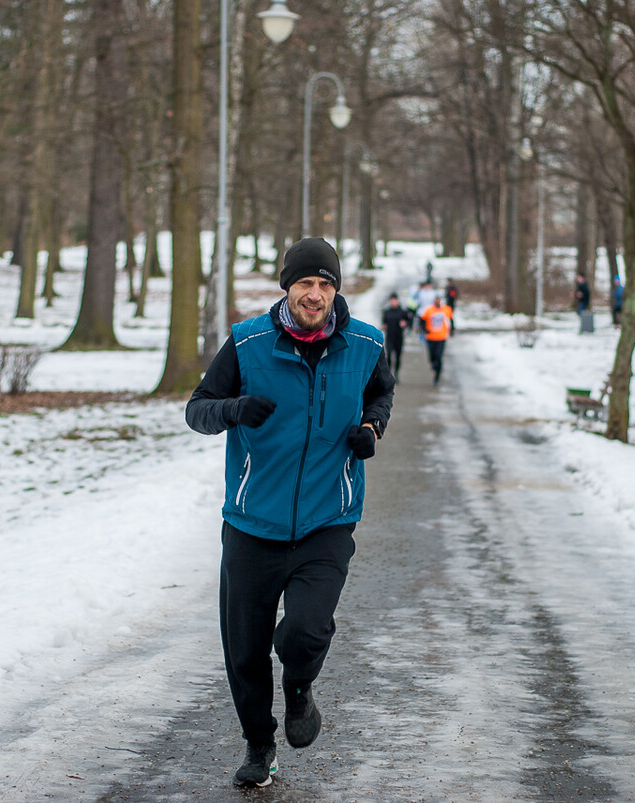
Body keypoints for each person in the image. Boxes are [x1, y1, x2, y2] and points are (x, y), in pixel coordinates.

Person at [184, 237, 396, 788]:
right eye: (305, 283)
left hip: (328, 520)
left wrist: (371, 428)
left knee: (305, 628)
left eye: (325, 284)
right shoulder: (247, 343)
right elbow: (197, 410)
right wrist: (234, 409)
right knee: (245, 651)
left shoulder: (366, 344)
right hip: (253, 523)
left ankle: (299, 688)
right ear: (287, 287)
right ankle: (259, 745)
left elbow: (381, 395)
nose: (315, 294)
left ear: (335, 290)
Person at [420, 295, 453, 386]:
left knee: (438, 356)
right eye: (436, 301)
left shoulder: (446, 310)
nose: (438, 302)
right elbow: (422, 321)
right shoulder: (429, 310)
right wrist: (425, 330)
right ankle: (435, 366)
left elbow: (451, 320)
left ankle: (437, 376)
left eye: (439, 301)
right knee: (432, 357)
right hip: (430, 337)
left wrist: (452, 330)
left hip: (441, 337)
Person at [382, 292, 408, 381]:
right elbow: (384, 322)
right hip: (390, 336)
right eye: (392, 300)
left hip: (399, 337)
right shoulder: (387, 311)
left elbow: (408, 321)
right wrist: (384, 326)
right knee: (389, 355)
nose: (393, 302)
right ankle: (389, 374)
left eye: (395, 300)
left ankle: (396, 373)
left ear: (397, 301)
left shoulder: (402, 311)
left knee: (398, 356)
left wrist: (405, 324)